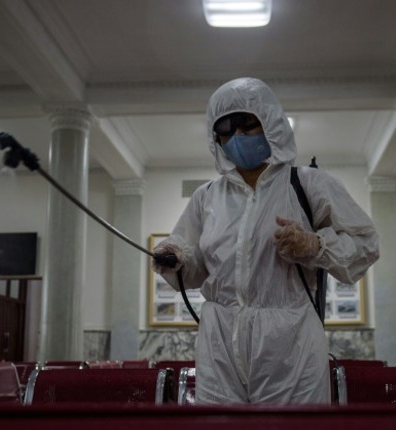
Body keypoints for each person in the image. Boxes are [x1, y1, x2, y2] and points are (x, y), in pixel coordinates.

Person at [152, 77, 379, 404]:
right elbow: (195, 267)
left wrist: (315, 246)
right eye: (226, 130)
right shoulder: (207, 198)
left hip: (291, 344)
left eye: (247, 124)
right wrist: (174, 257)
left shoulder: (308, 185)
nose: (237, 137)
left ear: (270, 121)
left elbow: (366, 244)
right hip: (219, 346)